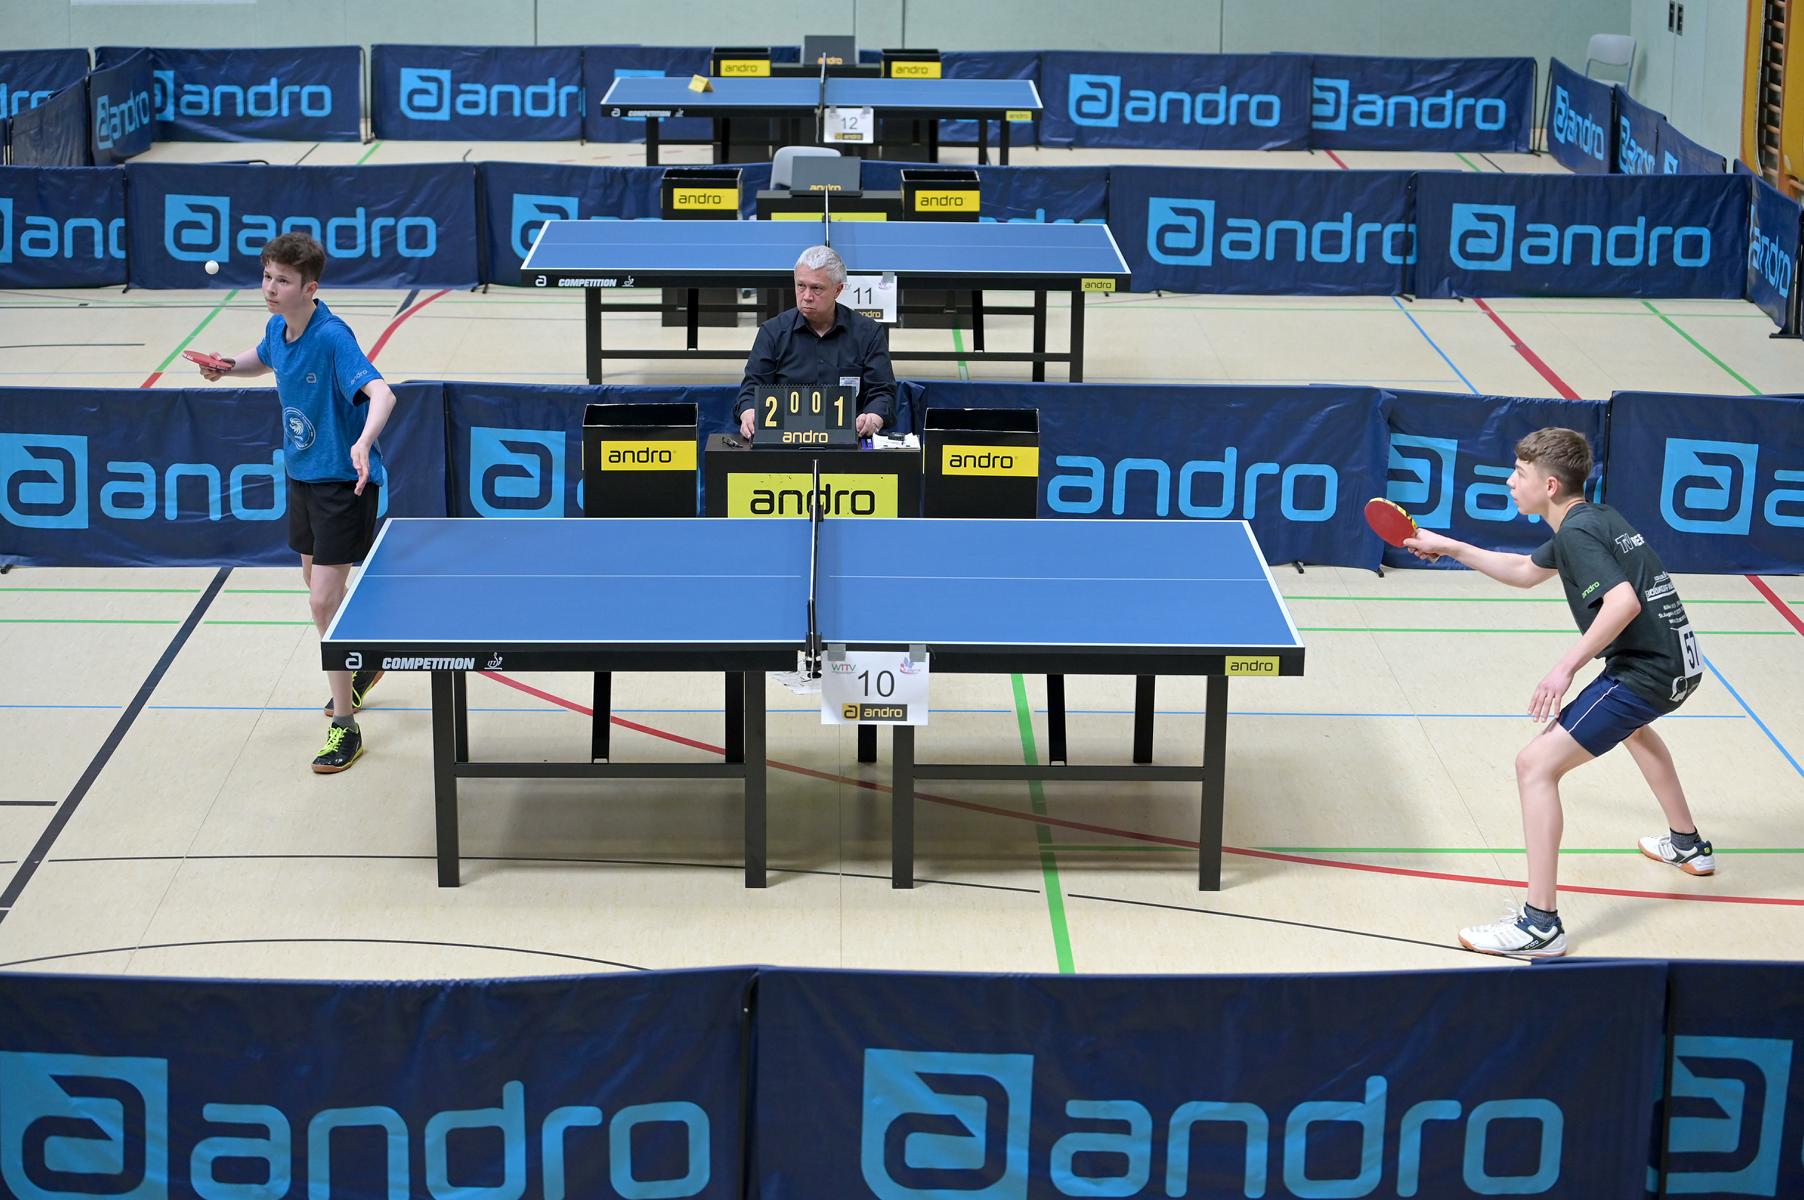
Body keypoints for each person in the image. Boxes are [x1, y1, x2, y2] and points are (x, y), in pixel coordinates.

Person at [1403, 427, 1710, 958]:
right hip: (1680, 662)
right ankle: (1688, 846)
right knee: (1634, 731)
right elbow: (1524, 571)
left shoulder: (1577, 534)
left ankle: (1540, 924)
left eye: (1518, 473)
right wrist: (1450, 547)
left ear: (1548, 485)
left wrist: (1563, 669)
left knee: (1535, 765)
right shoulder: (1595, 517)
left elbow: (1622, 603)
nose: (1509, 481)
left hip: (1645, 673)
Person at [194, 232, 397, 775]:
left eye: (282, 280)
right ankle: (362, 661)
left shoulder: (332, 337)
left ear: (310, 287)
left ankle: (345, 727)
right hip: (302, 478)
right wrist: (225, 366)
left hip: (344, 484)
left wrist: (363, 441)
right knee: (319, 592)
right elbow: (262, 359)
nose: (270, 287)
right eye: (266, 276)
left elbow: (383, 393)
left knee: (322, 602)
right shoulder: (277, 328)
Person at [736, 245, 895, 441]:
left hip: (849, 440)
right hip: (783, 440)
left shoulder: (868, 333)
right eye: (800, 285)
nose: (806, 296)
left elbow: (882, 392)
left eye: (816, 288)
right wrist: (748, 412)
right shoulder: (772, 332)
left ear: (838, 290)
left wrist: (873, 418)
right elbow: (751, 388)